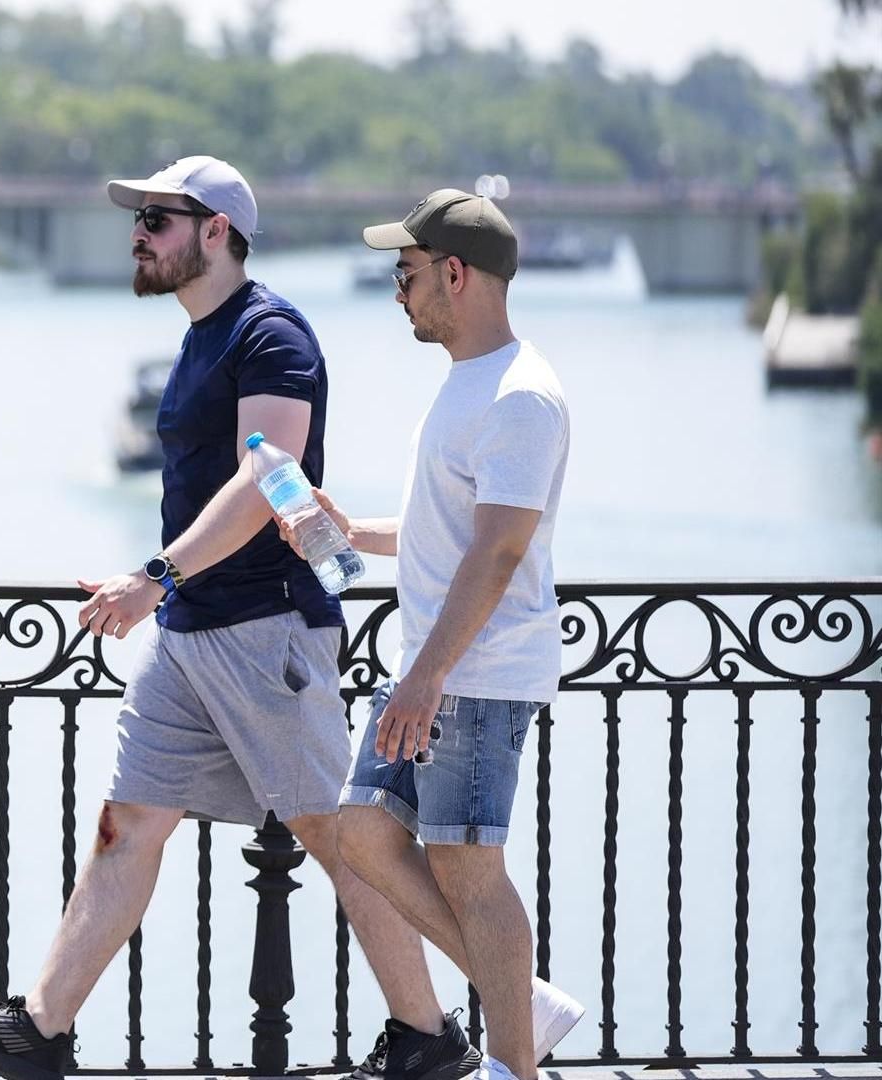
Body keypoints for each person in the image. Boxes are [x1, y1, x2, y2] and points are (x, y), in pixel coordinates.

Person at [0, 157, 478, 1080]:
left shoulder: (271, 338)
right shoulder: (200, 338)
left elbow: (268, 481)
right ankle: (41, 1029)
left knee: (344, 843)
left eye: (159, 219)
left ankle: (431, 1034)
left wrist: (153, 575)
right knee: (127, 821)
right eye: (138, 220)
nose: (138, 232)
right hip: (190, 631)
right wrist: (167, 591)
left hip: (267, 634)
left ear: (217, 231)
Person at [288, 188, 584, 1080]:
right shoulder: (468, 385)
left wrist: (425, 679)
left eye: (406, 272)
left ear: (455, 273)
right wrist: (344, 531)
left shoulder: (521, 398)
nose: (397, 291)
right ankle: (519, 1002)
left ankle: (512, 1065)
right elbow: (441, 532)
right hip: (435, 668)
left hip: (473, 675)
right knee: (362, 834)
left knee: (468, 867)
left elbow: (498, 554)